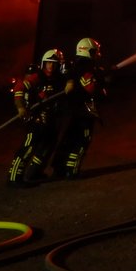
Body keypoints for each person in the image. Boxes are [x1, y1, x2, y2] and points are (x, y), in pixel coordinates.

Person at [7, 48, 67, 188]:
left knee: (47, 148)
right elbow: (19, 88)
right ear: (43, 63)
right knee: (28, 148)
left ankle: (35, 173)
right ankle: (14, 177)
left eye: (54, 63)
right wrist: (21, 107)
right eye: (48, 63)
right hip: (36, 120)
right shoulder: (37, 78)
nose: (51, 66)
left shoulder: (60, 80)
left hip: (51, 120)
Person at [53, 37, 109, 179]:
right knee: (81, 141)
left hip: (73, 112)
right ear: (88, 52)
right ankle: (72, 171)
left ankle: (59, 169)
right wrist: (101, 81)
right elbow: (91, 88)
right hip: (83, 113)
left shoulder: (76, 66)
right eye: (95, 52)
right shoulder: (85, 68)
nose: (97, 55)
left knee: (69, 139)